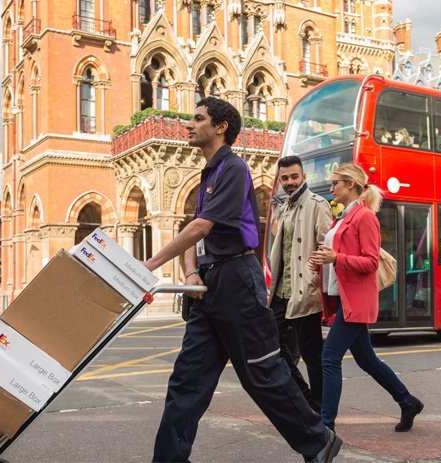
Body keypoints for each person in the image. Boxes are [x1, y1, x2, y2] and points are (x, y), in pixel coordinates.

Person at [144, 97, 341, 463]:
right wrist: (190, 273)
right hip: (209, 284)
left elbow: (202, 226)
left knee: (261, 374)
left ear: (220, 128)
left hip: (237, 278)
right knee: (188, 379)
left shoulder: (233, 168)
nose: (188, 124)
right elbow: (196, 230)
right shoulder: (209, 174)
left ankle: (319, 441)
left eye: (198, 119)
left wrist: (149, 265)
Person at [309, 163, 424, 433]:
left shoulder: (365, 217)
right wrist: (322, 262)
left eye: (335, 182)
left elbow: (371, 263)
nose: (331, 187)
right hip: (341, 298)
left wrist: (336, 257)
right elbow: (339, 259)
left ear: (350, 184)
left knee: (329, 358)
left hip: (355, 301)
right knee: (367, 360)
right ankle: (407, 402)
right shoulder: (341, 218)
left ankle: (326, 427)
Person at [268, 155, 334, 412]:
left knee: (312, 354)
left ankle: (318, 406)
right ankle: (303, 395)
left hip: (304, 290)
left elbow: (326, 247)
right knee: (270, 343)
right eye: (284, 178)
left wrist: (312, 279)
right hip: (281, 292)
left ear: (303, 177)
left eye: (294, 176)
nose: (289, 182)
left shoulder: (317, 204)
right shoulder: (284, 206)